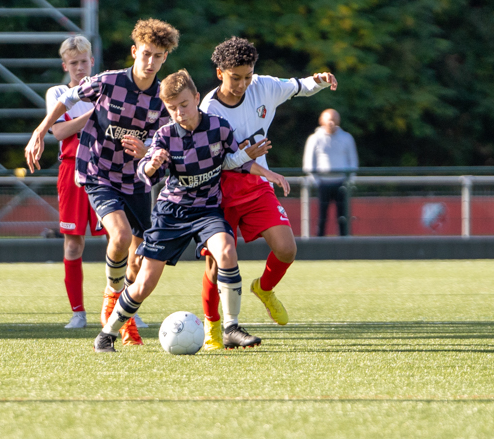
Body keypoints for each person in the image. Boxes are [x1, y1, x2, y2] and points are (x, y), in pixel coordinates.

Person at [94, 70, 290, 352]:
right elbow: (145, 171)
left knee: (226, 250)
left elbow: (233, 161)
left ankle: (231, 327)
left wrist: (266, 173)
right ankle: (107, 334)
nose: (179, 113)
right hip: (171, 213)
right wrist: (151, 164)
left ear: (197, 98)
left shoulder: (218, 127)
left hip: (208, 211)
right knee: (145, 283)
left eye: (184, 105)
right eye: (172, 108)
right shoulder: (164, 136)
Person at [26, 19, 179, 345]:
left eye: (159, 56)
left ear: (165, 58)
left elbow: (166, 140)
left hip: (136, 179)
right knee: (120, 235)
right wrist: (40, 131)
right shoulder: (109, 81)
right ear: (135, 51)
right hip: (99, 174)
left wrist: (148, 150)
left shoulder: (163, 96)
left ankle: (125, 310)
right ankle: (109, 299)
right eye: (146, 54)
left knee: (143, 252)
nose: (151, 62)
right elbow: (67, 99)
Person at [198, 37, 338, 350]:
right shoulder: (209, 110)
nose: (242, 84)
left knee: (287, 249)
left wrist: (319, 80)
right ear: (220, 73)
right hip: (219, 191)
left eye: (247, 76)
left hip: (256, 186)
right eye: (235, 78)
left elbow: (299, 85)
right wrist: (248, 157)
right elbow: (215, 162)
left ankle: (263, 288)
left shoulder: (263, 86)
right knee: (216, 264)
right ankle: (213, 326)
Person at [46, 36, 102, 329]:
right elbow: (58, 131)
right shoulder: (56, 92)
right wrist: (95, 114)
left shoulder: (104, 88)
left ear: (92, 62)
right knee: (73, 243)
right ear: (65, 65)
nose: (80, 67)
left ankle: (120, 308)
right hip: (71, 171)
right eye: (74, 63)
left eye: (84, 61)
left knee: (119, 240)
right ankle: (78, 312)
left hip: (105, 169)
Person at [303, 109, 358, 237]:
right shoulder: (314, 139)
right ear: (322, 121)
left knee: (343, 217)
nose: (332, 122)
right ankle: (319, 245)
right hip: (323, 183)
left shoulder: (347, 138)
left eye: (334, 119)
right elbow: (308, 162)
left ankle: (345, 244)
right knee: (322, 217)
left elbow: (353, 160)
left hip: (342, 183)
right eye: (329, 119)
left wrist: (349, 181)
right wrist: (315, 180)